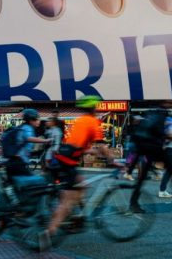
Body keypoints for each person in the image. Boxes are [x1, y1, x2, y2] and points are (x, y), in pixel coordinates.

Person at [39, 95, 120, 252]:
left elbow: (77, 145)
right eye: (97, 106)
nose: (98, 108)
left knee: (81, 185)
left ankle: (76, 219)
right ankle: (48, 233)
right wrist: (112, 160)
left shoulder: (80, 121)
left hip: (63, 159)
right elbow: (102, 146)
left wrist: (95, 152)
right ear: (93, 107)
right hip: (67, 163)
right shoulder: (93, 121)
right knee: (67, 202)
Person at [5, 108, 51, 181]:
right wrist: (46, 140)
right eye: (37, 119)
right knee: (32, 184)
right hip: (18, 163)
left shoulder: (23, 127)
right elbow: (28, 138)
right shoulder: (27, 128)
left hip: (13, 162)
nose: (39, 121)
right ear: (31, 120)